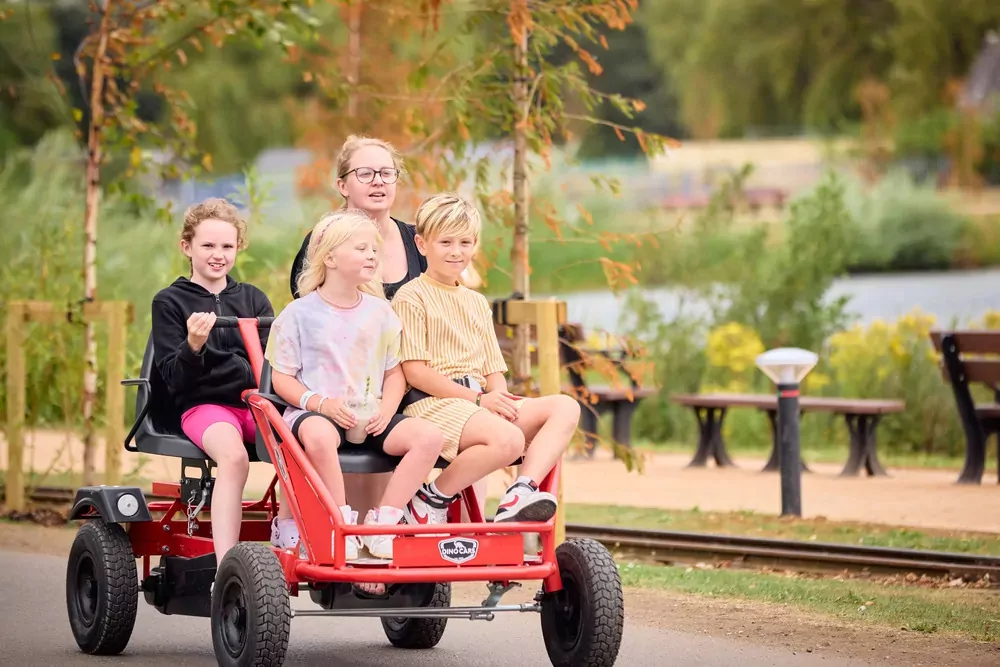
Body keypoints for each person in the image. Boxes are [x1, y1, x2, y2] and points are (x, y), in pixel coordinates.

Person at [286, 134, 489, 536]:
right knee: (382, 421)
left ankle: (458, 534)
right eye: (365, 173)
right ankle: (362, 543)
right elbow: (316, 327)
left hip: (421, 377)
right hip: (357, 383)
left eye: (387, 173)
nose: (378, 181)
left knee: (477, 418)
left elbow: (463, 293)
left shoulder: (420, 239)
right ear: (343, 185)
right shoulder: (325, 243)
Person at [266, 209, 446, 562]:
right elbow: (281, 378)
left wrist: (387, 409)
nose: (372, 256)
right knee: (319, 436)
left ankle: (385, 523)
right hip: (315, 411)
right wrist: (319, 403)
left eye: (375, 250)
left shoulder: (381, 313)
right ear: (330, 257)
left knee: (429, 438)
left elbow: (395, 373)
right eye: (361, 249)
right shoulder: (299, 314)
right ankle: (338, 523)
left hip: (370, 412)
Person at [392, 193, 581, 524]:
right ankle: (430, 497)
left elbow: (494, 371)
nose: (456, 251)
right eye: (445, 242)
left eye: (465, 242)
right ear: (422, 245)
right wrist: (480, 400)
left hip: (479, 403)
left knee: (566, 407)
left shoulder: (477, 302)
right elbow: (415, 373)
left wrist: (502, 402)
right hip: (434, 405)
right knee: (509, 440)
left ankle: (520, 491)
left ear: (475, 246)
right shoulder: (412, 296)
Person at [151, 198, 274, 566]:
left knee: (299, 446)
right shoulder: (171, 301)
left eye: (227, 246)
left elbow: (270, 366)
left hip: (253, 402)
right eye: (208, 245)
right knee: (235, 457)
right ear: (187, 247)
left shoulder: (253, 298)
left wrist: (234, 370)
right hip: (202, 406)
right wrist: (194, 346)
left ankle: (293, 535)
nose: (217, 255)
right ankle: (228, 565)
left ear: (239, 248)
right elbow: (174, 377)